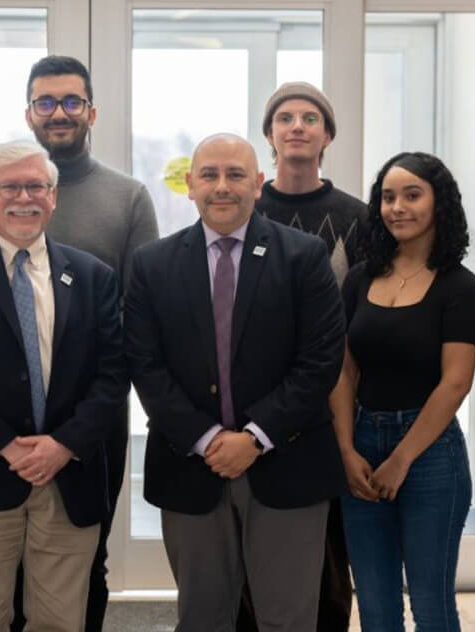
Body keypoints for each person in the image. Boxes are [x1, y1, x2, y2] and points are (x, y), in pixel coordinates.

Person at [124, 133, 348, 631]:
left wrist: (254, 438)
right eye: (209, 175)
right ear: (189, 186)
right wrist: (207, 440)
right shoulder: (152, 264)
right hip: (189, 468)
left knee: (288, 620)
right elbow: (145, 365)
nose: (221, 187)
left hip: (287, 464)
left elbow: (319, 361)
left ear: (258, 183)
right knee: (202, 619)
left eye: (235, 174)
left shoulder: (304, 256)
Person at [0, 55, 158, 631]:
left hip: (90, 418)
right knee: (5, 567)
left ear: (91, 112)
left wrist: (78, 422)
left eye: (71, 102)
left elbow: (139, 313)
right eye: (45, 102)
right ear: (29, 114)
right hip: (8, 424)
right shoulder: (1, 192)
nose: (59, 113)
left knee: (84, 560)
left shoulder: (128, 198)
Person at [0, 140, 129, 631]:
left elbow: (113, 373)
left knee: (60, 623)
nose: (24, 197)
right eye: (9, 186)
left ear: (53, 197)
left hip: (67, 477)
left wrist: (63, 445)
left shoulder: (94, 276)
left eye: (36, 185)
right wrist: (6, 447)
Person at [332, 152, 475, 632]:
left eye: (412, 195)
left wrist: (401, 459)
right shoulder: (359, 278)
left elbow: (455, 382)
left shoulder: (459, 285)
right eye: (388, 197)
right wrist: (345, 448)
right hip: (361, 444)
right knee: (375, 610)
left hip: (431, 453)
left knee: (431, 606)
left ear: (440, 203)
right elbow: (344, 371)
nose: (397, 207)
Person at [237, 81, 366, 632]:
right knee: (247, 565)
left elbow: (367, 314)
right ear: (269, 135)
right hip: (251, 413)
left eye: (310, 118)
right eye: (284, 117)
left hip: (332, 409)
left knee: (328, 562)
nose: (296, 126)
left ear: (327, 136)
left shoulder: (359, 218)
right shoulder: (240, 207)